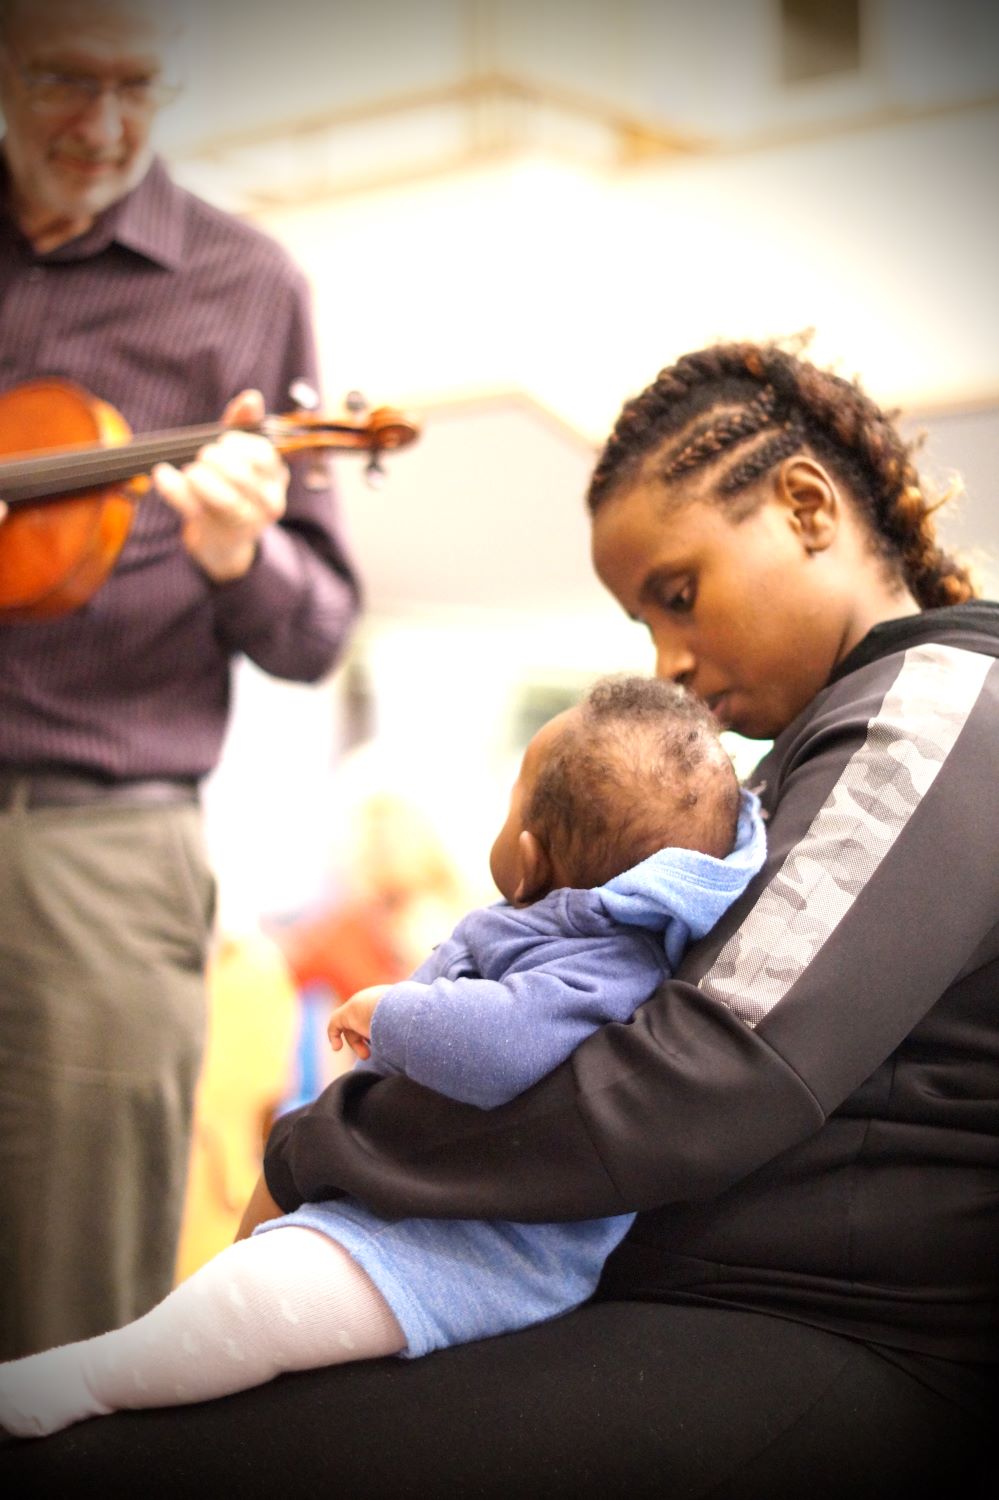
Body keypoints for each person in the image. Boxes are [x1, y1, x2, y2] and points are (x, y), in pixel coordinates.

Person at [4, 339, 998, 1500]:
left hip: (830, 1332)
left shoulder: (934, 709)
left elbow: (702, 1077)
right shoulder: (813, 748)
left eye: (678, 595)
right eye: (643, 621)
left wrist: (331, 1144)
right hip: (675, 1296)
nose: (670, 661)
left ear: (807, 506)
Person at [0, 674, 766, 1437]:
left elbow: (502, 1044)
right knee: (245, 1285)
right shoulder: (566, 935)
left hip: (468, 1254)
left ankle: (84, 1385)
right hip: (413, 1214)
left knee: (254, 1302)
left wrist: (392, 1011)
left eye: (510, 803)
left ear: (529, 858)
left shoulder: (606, 959)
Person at [0, 0, 358, 1361]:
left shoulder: (243, 284)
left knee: (66, 1307)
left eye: (137, 86)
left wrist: (235, 557)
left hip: (89, 850)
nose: (102, 125)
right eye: (62, 81)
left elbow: (317, 631)